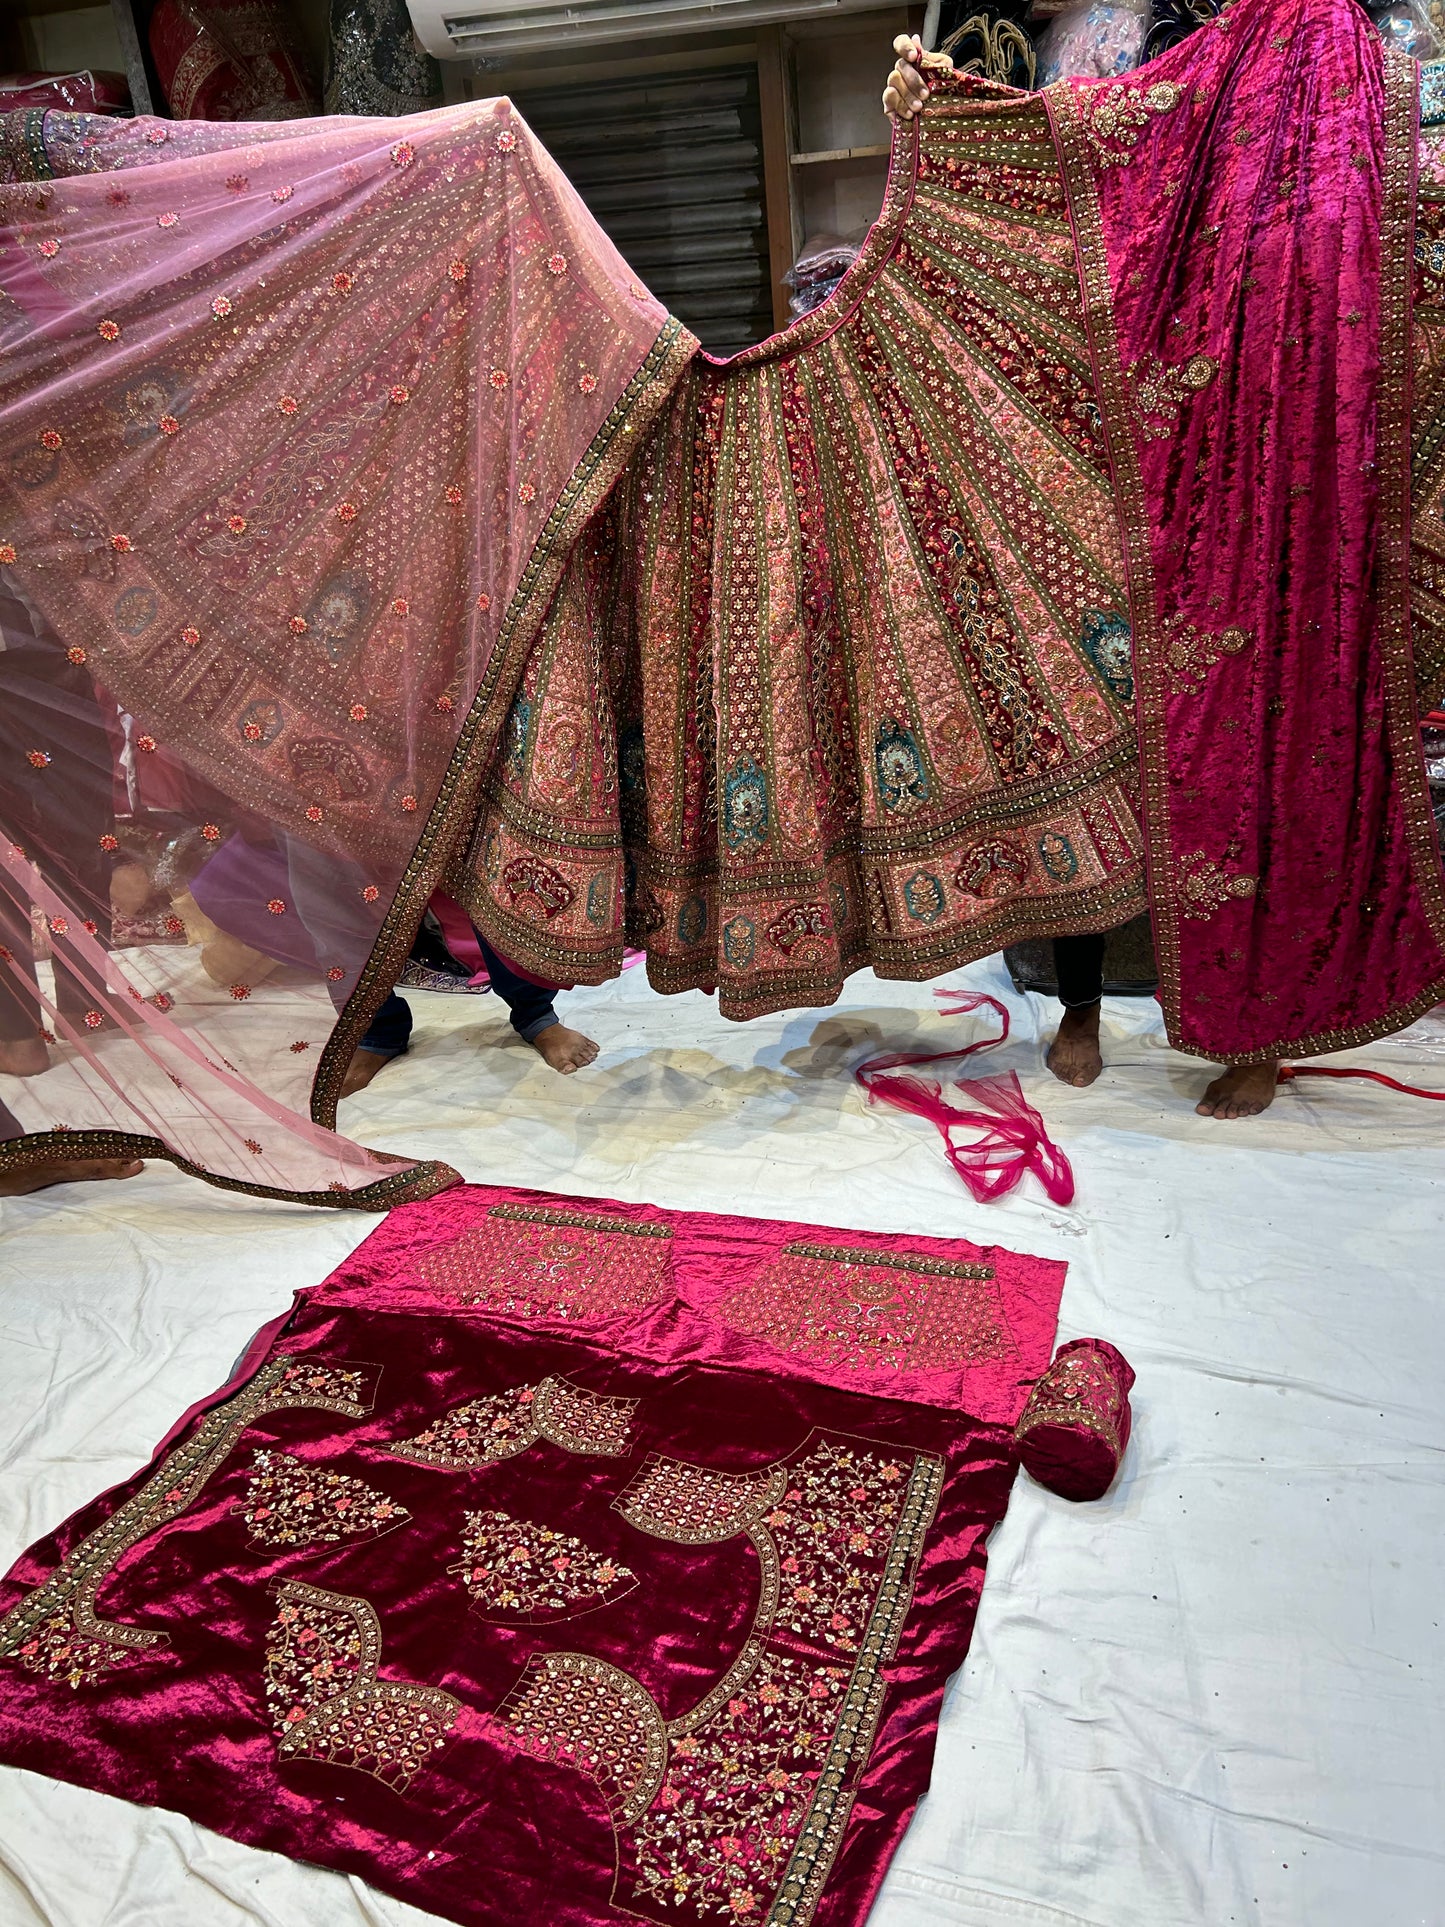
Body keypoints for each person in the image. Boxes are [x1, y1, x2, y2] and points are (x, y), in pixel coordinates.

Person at [883, 35, 1281, 1119]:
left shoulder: (1284, 73)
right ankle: (1080, 1006)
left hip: (1208, 492)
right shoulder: (1160, 57)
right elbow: (1089, 135)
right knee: (1069, 758)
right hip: (1073, 488)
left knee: (1228, 774)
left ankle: (1251, 1021)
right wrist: (947, 113)